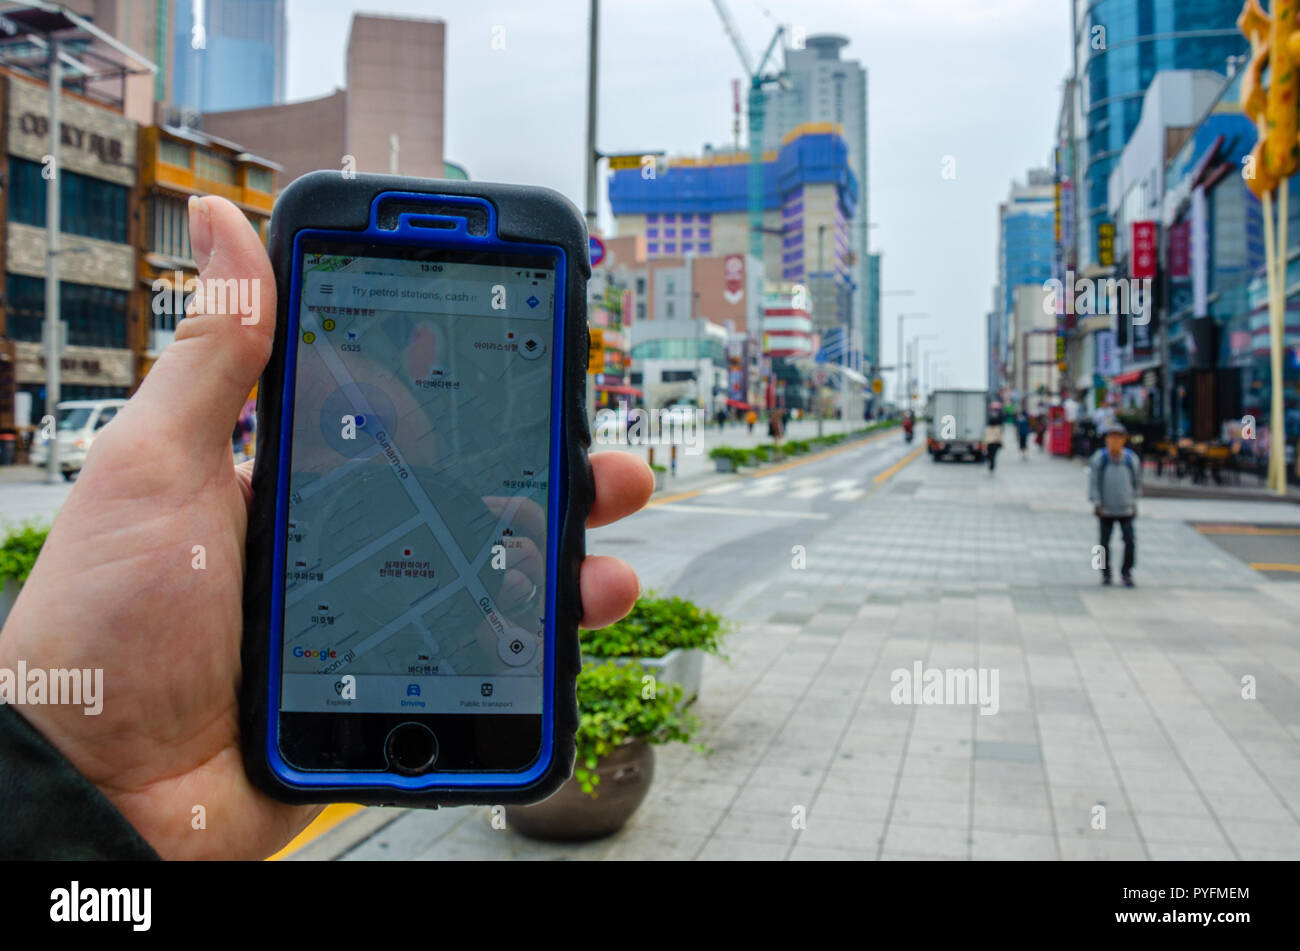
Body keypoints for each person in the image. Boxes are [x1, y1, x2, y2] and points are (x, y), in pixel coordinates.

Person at [0, 195, 653, 860]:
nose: (343, 469)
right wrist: (90, 774)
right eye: (330, 430)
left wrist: (79, 788)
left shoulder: (473, 536)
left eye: (362, 429)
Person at [1089, 421, 1141, 587]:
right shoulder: (1100, 459)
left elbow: (1136, 483)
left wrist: (1133, 503)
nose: (1115, 441)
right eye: (1112, 437)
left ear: (1124, 440)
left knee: (1130, 540)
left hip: (1125, 507)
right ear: (1107, 440)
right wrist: (1097, 503)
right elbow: (1094, 483)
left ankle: (1127, 572)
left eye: (1119, 438)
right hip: (1106, 508)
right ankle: (1104, 573)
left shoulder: (1131, 459)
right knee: (1102, 543)